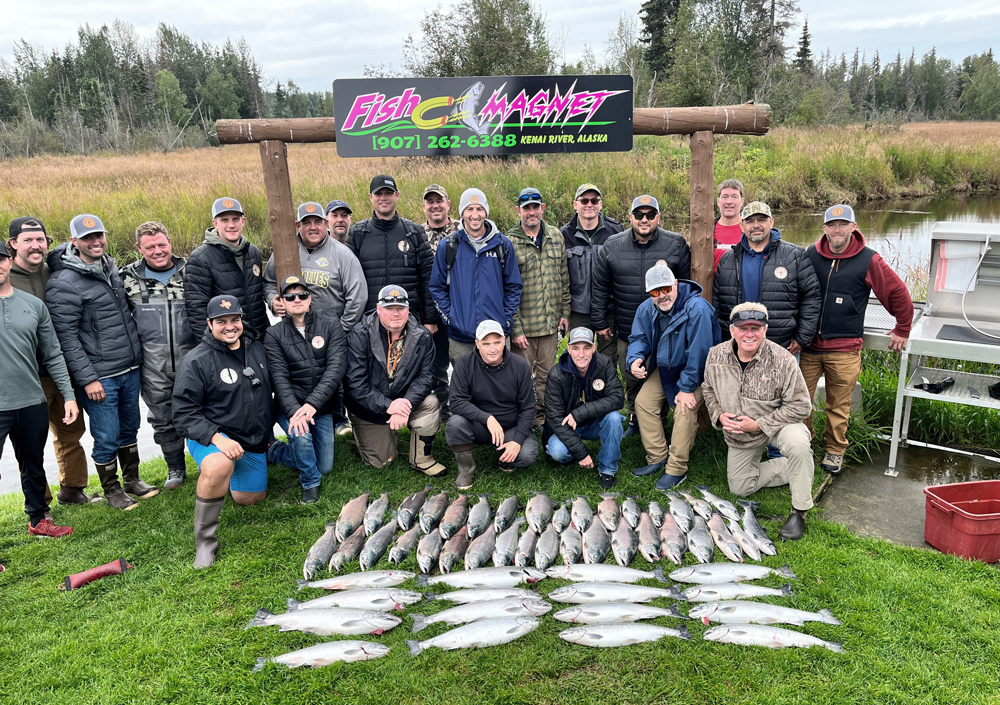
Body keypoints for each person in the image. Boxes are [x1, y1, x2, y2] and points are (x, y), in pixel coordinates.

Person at [46, 214, 158, 510]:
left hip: (129, 366)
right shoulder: (63, 282)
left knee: (129, 427)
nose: (95, 242)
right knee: (106, 434)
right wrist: (87, 378)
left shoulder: (110, 267)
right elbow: (66, 338)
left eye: (99, 236)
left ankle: (132, 479)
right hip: (100, 375)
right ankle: (112, 490)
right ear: (74, 242)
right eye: (87, 238)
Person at [801, 204, 914, 475]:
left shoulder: (869, 260)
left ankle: (834, 450)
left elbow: (897, 293)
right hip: (807, 348)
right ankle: (803, 445)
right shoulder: (810, 256)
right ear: (824, 228)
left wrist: (903, 328)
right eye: (832, 225)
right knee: (800, 401)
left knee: (838, 405)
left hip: (844, 348)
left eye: (843, 224)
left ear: (853, 227)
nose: (837, 230)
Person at [172, 295, 275, 569]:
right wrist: (217, 438)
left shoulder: (258, 350)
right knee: (219, 465)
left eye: (234, 320)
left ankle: (229, 475)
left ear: (242, 320)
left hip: (251, 441)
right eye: (221, 321)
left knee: (250, 500)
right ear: (209, 323)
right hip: (212, 438)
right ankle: (205, 542)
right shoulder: (197, 360)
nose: (229, 326)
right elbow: (183, 413)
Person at [702, 303, 815, 541]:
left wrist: (760, 424)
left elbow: (802, 406)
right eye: (743, 328)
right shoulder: (715, 354)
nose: (749, 334)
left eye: (756, 327)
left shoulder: (783, 359)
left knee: (798, 443)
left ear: (765, 329)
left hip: (778, 425)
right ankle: (795, 468)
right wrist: (719, 415)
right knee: (740, 488)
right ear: (732, 330)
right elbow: (708, 389)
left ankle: (799, 511)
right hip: (740, 433)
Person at [6, 217, 94, 506]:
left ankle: (72, 489)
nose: (35, 245)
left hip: (63, 368)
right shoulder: (5, 278)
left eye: (40, 239)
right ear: (13, 245)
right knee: (30, 444)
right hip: (28, 377)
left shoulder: (55, 269)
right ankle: (39, 501)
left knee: (71, 432)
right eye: (28, 239)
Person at [592, 194, 691, 436]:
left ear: (658, 217)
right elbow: (600, 287)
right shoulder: (612, 245)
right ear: (630, 217)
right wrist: (599, 320)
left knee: (667, 371)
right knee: (633, 374)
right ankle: (636, 418)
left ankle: (661, 419)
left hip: (668, 327)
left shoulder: (676, 243)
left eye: (649, 215)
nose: (644, 219)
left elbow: (686, 285)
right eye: (638, 215)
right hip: (627, 326)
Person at [0, 243, 78, 537]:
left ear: (9, 262)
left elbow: (53, 354)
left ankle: (38, 519)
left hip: (30, 399)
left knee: (32, 464)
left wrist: (69, 395)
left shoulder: (34, 306)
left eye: (0, 260)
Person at [628, 263, 720, 490]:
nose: (662, 296)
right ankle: (657, 457)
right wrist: (635, 358)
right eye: (655, 292)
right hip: (668, 368)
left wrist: (686, 388)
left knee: (684, 408)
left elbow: (701, 353)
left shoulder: (698, 309)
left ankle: (677, 469)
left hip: (699, 372)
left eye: (666, 289)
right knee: (643, 403)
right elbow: (638, 337)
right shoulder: (646, 309)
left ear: (676, 284)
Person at [121, 221, 197, 489]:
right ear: (139, 248)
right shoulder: (126, 277)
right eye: (150, 247)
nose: (157, 251)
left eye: (162, 244)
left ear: (170, 243)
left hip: (193, 358)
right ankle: (175, 468)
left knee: (204, 410)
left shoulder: (192, 269)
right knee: (163, 419)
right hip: (152, 363)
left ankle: (209, 460)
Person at [343, 285, 446, 477]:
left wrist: (406, 403)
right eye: (389, 308)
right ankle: (362, 433)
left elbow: (427, 377)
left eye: (400, 308)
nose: (396, 313)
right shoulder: (359, 334)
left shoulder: (422, 335)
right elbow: (354, 384)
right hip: (369, 407)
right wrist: (390, 406)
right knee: (381, 463)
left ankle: (422, 459)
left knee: (431, 402)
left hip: (403, 398)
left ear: (408, 309)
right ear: (378, 309)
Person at [265, 276, 347, 504]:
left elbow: (336, 369)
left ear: (309, 299)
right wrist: (295, 411)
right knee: (301, 437)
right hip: (290, 407)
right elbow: (278, 378)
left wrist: (312, 405)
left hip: (321, 407)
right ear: (282, 302)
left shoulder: (331, 324)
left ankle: (274, 451)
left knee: (326, 465)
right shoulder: (274, 334)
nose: (297, 300)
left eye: (302, 295)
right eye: (290, 297)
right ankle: (310, 483)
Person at [713, 201, 820, 355]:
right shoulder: (728, 259)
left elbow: (811, 298)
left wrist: (802, 338)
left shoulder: (795, 255)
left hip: (781, 346)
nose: (756, 225)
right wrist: (723, 337)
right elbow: (718, 303)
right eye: (750, 221)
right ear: (742, 226)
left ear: (771, 222)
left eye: (761, 219)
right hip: (739, 345)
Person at [429, 188, 522, 363]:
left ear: (486, 211)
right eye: (469, 209)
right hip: (461, 338)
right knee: (465, 388)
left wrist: (506, 319)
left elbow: (514, 286)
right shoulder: (448, 245)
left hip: (496, 336)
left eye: (479, 209)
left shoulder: (502, 244)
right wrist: (451, 318)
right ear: (462, 212)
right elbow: (436, 287)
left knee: (500, 387)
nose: (475, 215)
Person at [447, 320, 538, 489]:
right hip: (479, 425)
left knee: (527, 455)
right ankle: (466, 469)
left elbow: (529, 408)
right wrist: (487, 418)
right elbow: (457, 402)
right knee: (455, 424)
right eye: (486, 343)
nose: (493, 349)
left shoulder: (520, 366)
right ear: (477, 344)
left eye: (497, 342)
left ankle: (506, 458)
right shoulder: (464, 363)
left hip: (510, 426)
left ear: (504, 341)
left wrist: (517, 441)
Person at [507, 187, 570, 431]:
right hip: (524, 327)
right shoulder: (508, 241)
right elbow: (506, 289)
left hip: (550, 324)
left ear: (542, 208)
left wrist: (565, 312)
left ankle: (542, 420)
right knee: (523, 379)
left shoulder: (556, 235)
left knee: (547, 376)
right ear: (518, 211)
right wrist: (515, 328)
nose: (531, 212)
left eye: (535, 207)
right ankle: (523, 421)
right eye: (526, 208)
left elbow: (564, 276)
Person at [346, 175, 439, 332]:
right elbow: (348, 282)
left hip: (409, 320)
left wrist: (430, 319)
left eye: (388, 193)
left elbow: (428, 278)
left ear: (397, 195)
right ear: (370, 197)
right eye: (378, 193)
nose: (383, 197)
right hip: (370, 321)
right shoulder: (357, 233)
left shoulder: (414, 232)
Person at [544, 327, 625, 489]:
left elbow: (618, 399)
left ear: (594, 348)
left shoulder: (605, 364)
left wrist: (579, 413)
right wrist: (582, 453)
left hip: (595, 423)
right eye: (576, 348)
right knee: (557, 451)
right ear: (568, 349)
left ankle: (607, 469)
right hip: (567, 427)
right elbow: (554, 417)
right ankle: (571, 456)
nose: (581, 354)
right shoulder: (556, 374)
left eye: (586, 348)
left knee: (615, 417)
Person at [264, 201, 367, 326]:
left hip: (331, 333)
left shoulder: (344, 255)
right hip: (291, 332)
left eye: (318, 222)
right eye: (307, 223)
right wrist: (272, 301)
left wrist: (342, 329)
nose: (313, 227)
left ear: (326, 223)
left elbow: (358, 298)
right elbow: (268, 282)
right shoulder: (283, 251)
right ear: (297, 225)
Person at [185, 197, 268, 341]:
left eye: (235, 219)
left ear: (243, 221)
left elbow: (258, 294)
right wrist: (210, 348)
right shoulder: (200, 258)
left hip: (259, 338)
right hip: (227, 341)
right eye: (224, 220)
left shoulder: (253, 252)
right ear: (215, 223)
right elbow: (197, 310)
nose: (231, 225)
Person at [560, 183, 623, 363]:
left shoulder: (615, 231)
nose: (589, 204)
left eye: (594, 200)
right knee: (579, 359)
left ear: (600, 204)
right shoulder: (563, 235)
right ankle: (579, 391)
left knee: (607, 360)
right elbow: (559, 278)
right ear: (575, 204)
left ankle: (604, 391)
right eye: (584, 200)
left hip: (608, 309)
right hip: (578, 311)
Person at [421, 183, 460, 421]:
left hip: (460, 309)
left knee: (463, 361)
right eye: (430, 201)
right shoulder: (416, 234)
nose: (435, 205)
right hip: (430, 311)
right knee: (436, 364)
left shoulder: (463, 230)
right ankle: (444, 412)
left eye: (439, 200)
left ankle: (466, 409)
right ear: (424, 206)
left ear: (448, 204)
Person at [713, 179, 745, 270]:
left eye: (734, 197)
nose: (729, 201)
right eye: (725, 197)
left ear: (742, 202)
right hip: (713, 283)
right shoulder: (707, 230)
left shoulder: (749, 230)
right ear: (718, 201)